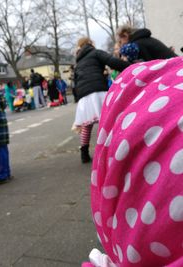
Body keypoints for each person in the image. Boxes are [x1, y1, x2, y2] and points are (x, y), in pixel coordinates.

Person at [82, 56, 183, 266]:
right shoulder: (96, 55)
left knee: (90, 124)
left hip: (136, 96)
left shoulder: (85, 61)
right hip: (142, 92)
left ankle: (84, 148)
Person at [73, 37, 130, 163]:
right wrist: (130, 66)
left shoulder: (78, 62)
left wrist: (78, 98)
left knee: (87, 126)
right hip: (98, 90)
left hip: (84, 95)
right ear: (90, 43)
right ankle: (111, 150)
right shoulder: (96, 52)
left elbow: (75, 82)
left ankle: (84, 153)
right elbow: (112, 61)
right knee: (108, 121)